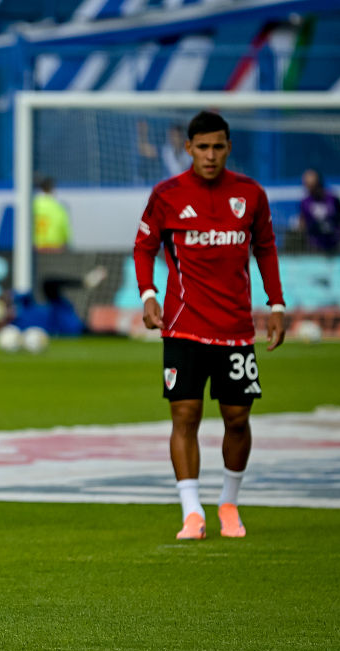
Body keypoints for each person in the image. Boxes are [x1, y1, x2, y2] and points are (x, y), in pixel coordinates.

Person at [134, 110, 286, 541]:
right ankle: (192, 511)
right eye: (203, 147)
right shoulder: (166, 194)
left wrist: (276, 303)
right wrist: (148, 294)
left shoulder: (250, 194)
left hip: (236, 327)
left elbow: (266, 249)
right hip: (182, 324)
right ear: (189, 149)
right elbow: (143, 247)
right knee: (185, 414)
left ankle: (229, 503)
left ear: (228, 147)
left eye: (218, 146)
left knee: (237, 418)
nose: (211, 155)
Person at [298, 169, 340, 253]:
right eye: (307, 186)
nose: (310, 189)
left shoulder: (333, 199)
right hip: (315, 247)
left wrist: (339, 236)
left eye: (312, 186)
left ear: (319, 183)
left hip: (335, 246)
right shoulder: (305, 203)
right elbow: (302, 224)